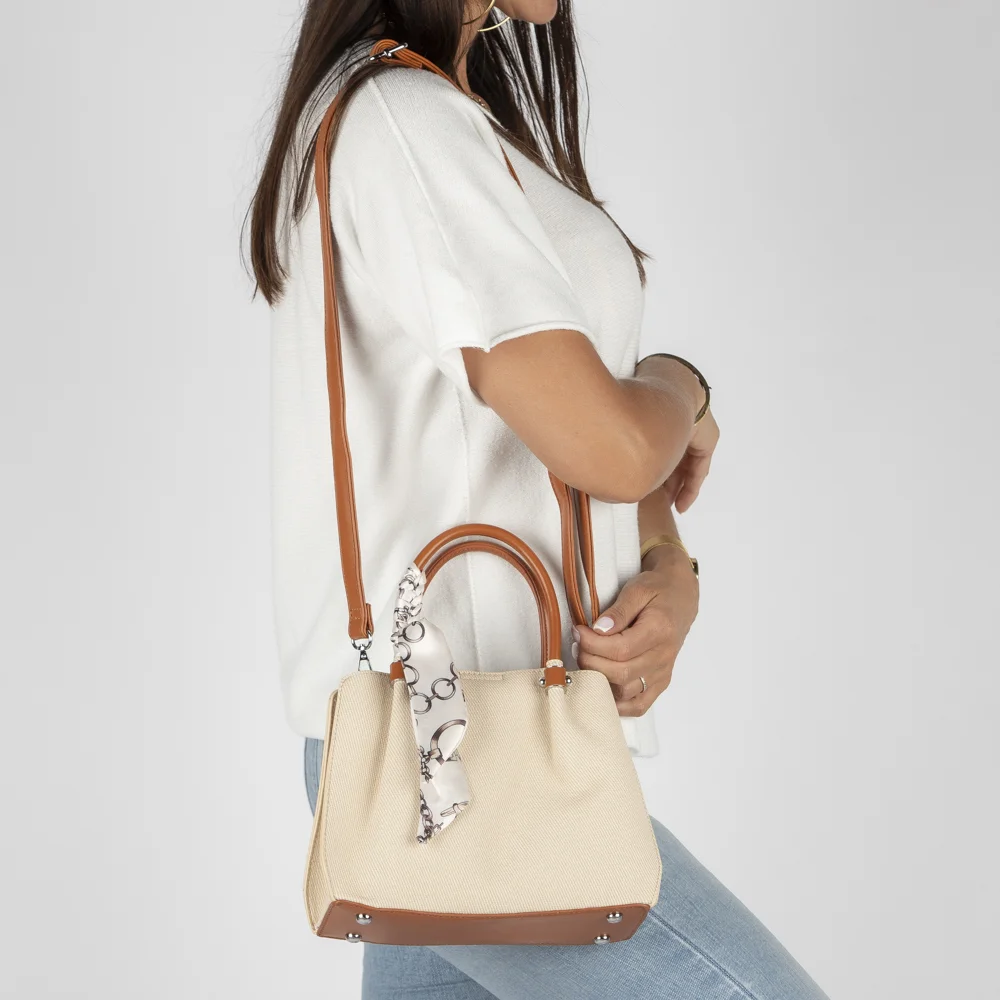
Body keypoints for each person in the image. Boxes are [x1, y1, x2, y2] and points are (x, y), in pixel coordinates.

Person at [247, 1, 829, 997]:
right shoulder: (404, 123)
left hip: (487, 745)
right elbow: (611, 442)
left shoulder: (448, 116)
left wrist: (668, 564)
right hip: (457, 759)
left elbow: (567, 429)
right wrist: (683, 385)